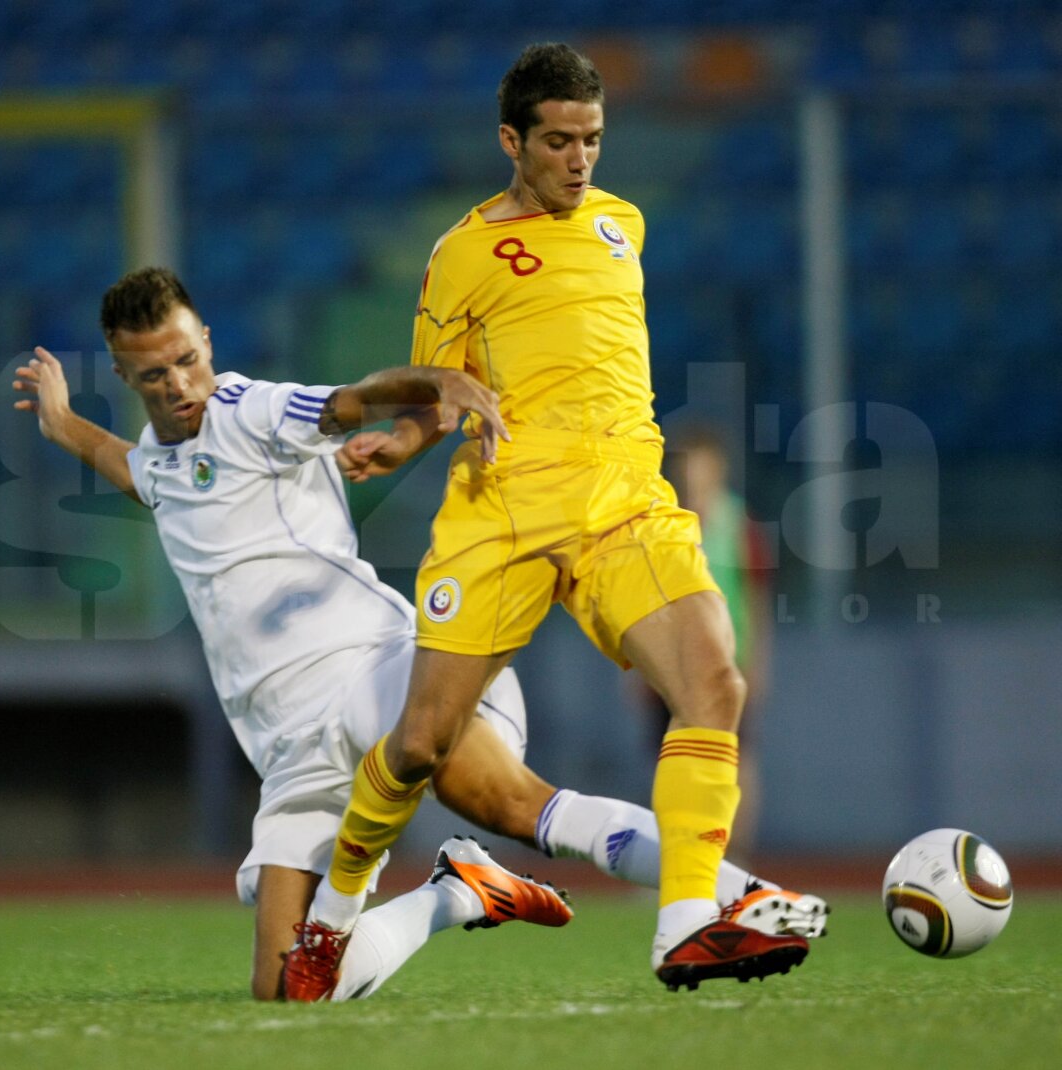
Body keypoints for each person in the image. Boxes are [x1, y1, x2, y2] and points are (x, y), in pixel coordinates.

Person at [14, 268, 824, 1002]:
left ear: (208, 345)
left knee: (512, 804)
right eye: (155, 374)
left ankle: (743, 894)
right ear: (125, 375)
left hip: (373, 669)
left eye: (188, 359)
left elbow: (350, 401)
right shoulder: (162, 457)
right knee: (291, 991)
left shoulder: (247, 410)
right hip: (289, 746)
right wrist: (64, 426)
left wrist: (431, 384)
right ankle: (460, 893)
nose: (180, 384)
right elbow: (139, 473)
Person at [287, 42, 817, 999]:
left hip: (626, 504)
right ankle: (328, 925)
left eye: (594, 140)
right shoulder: (461, 254)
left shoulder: (625, 225)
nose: (581, 160)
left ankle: (687, 923)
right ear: (512, 141)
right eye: (561, 142)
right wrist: (404, 443)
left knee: (716, 684)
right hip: (507, 511)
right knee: (419, 746)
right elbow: (437, 392)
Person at [645, 425, 774, 863]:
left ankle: (735, 855)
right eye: (683, 465)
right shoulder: (660, 519)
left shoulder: (738, 525)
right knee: (670, 754)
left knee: (736, 757)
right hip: (668, 660)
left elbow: (755, 596)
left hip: (726, 659)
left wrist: (756, 661)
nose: (690, 474)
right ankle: (677, 854)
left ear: (717, 468)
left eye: (697, 464)